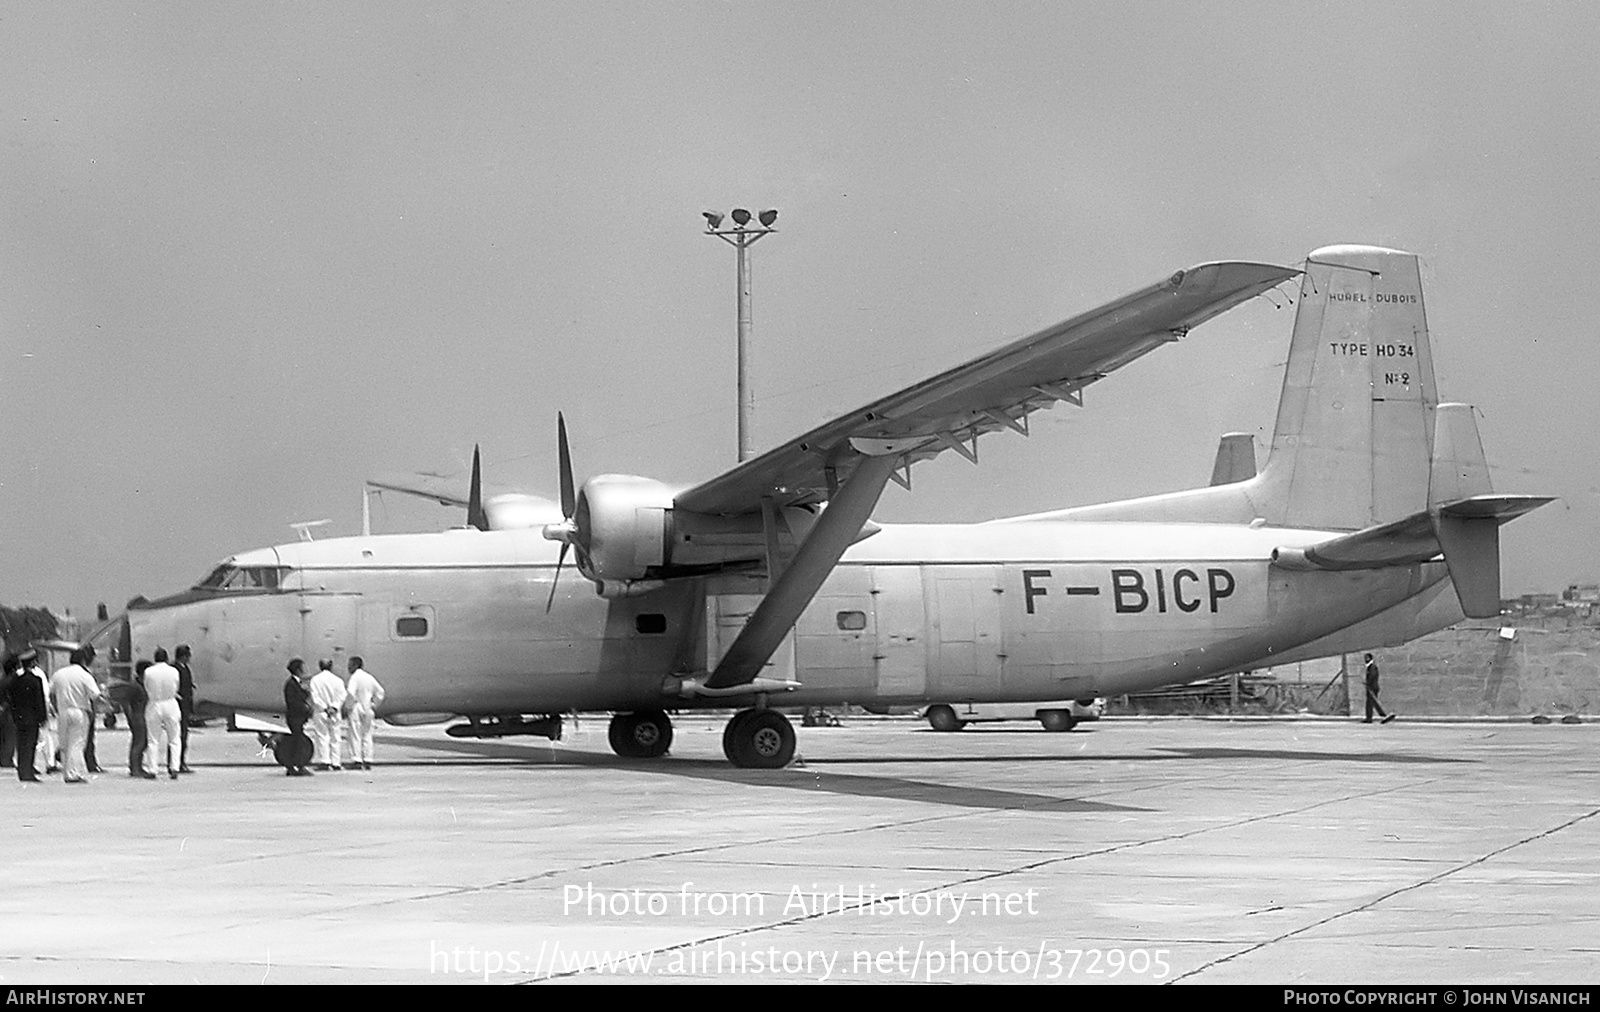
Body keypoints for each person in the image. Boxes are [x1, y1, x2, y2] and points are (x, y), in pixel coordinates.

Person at [50, 646, 101, 783]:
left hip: (63, 711)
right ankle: (75, 773)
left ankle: (67, 773)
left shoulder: (59, 674)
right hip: (79, 710)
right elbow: (95, 695)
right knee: (77, 743)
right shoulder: (85, 675)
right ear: (84, 660)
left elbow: (51, 692)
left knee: (64, 743)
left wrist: (56, 706)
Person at [5, 650, 47, 781]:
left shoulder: (15, 681)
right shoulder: (36, 680)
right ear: (33, 663)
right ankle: (28, 771)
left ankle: (22, 770)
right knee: (30, 744)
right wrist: (43, 717)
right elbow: (39, 701)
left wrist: (14, 714)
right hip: (32, 718)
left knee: (21, 744)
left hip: (19, 718)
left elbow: (11, 699)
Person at [143, 648, 182, 779]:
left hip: (154, 703)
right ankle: (174, 767)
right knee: (175, 738)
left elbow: (147, 687)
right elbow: (176, 686)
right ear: (166, 658)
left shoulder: (148, 672)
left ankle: (152, 769)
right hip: (170, 703)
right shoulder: (174, 671)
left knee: (153, 740)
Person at [344, 656, 385, 771]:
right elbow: (381, 692)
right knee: (367, 734)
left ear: (356, 665)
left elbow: (351, 693)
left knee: (355, 734)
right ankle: (367, 759)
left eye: (350, 665)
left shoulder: (354, 678)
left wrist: (348, 706)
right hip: (368, 708)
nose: (348, 667)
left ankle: (357, 759)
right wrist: (374, 704)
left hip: (356, 707)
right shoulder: (369, 677)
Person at [309, 658, 347, 771]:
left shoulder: (315, 680)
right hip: (335, 713)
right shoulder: (338, 680)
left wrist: (325, 708)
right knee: (335, 737)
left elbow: (315, 697)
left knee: (322, 736)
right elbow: (342, 695)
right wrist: (334, 707)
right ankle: (336, 762)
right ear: (331, 666)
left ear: (320, 666)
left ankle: (325, 761)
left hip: (321, 712)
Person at [282, 658, 315, 777]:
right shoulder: (291, 684)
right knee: (298, 742)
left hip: (297, 718)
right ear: (298, 670)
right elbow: (293, 702)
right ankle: (297, 766)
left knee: (296, 741)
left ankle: (293, 766)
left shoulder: (296, 683)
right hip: (295, 717)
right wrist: (305, 708)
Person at [127, 660, 153, 778]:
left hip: (143, 715)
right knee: (139, 742)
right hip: (138, 716)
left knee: (142, 742)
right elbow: (127, 703)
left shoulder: (142, 684)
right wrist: (130, 717)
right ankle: (135, 768)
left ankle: (137, 766)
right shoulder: (135, 686)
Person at [174, 644, 196, 773]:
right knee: (179, 736)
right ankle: (177, 763)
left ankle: (181, 761)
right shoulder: (175, 669)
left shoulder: (185, 668)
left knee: (184, 736)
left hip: (185, 706)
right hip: (179, 706)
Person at [1363, 653, 1396, 724]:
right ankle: (1369, 718)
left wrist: (1367, 683)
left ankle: (1383, 715)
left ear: (1370, 658)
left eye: (1367, 658)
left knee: (1373, 702)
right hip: (1370, 687)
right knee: (1370, 703)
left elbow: (1372, 676)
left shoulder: (1372, 667)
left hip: (1372, 687)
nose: (1365, 659)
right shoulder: (1370, 667)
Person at [0, 653, 17, 769]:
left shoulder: (2, 680)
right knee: (10, 736)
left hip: (2, 709)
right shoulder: (14, 680)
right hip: (10, 710)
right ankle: (6, 760)